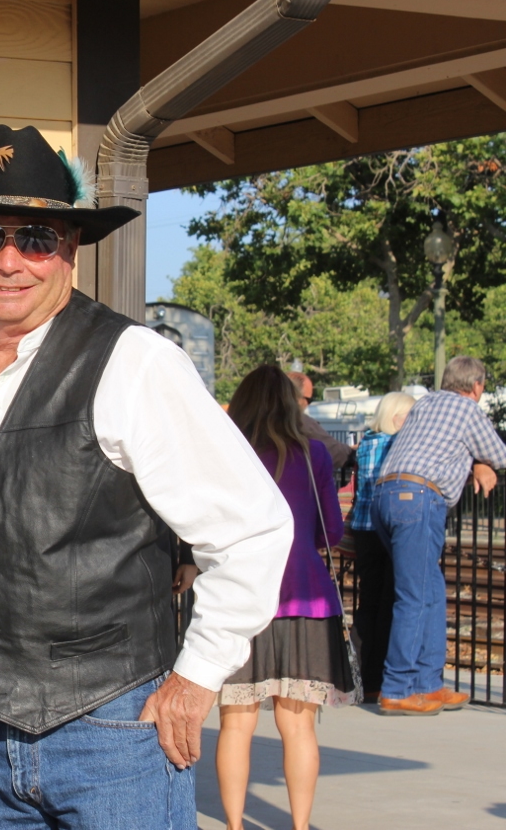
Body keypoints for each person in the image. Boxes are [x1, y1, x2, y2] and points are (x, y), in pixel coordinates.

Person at [0, 124, 294, 829]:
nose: (9, 259)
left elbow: (256, 527)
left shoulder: (134, 361)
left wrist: (196, 677)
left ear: (70, 250)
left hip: (114, 731)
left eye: (37, 239)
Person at [216, 365, 359, 830]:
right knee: (297, 728)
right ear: (291, 404)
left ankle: (234, 825)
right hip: (307, 603)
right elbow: (330, 532)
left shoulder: (227, 455)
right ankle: (299, 826)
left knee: (236, 726)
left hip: (240, 603)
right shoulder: (315, 453)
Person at [373, 355, 506, 715]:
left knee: (431, 591)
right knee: (415, 596)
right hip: (418, 499)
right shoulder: (468, 410)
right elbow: (499, 453)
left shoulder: (426, 403)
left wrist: (475, 461)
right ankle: (398, 687)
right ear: (476, 386)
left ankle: (429, 683)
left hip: (386, 496)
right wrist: (483, 461)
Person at [350, 391, 416, 701]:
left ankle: (363, 679)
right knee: (391, 604)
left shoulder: (366, 443)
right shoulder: (396, 443)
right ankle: (385, 678)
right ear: (398, 418)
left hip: (363, 529)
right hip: (388, 527)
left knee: (368, 603)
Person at [287, 370, 355, 469]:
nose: (308, 405)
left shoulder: (259, 419)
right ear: (296, 397)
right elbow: (331, 452)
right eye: (309, 400)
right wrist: (354, 452)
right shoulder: (300, 422)